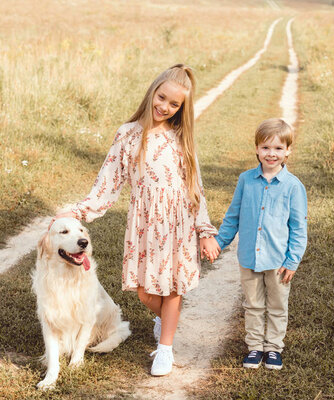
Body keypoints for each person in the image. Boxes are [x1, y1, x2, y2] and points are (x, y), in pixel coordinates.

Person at [52, 64, 218, 376]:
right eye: (162, 97)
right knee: (146, 292)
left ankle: (165, 349)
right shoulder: (128, 135)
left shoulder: (181, 138)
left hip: (179, 223)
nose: (164, 107)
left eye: (174, 104)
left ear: (182, 109)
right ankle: (166, 318)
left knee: (172, 289)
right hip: (146, 226)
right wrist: (78, 211)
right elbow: (108, 183)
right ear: (152, 91)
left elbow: (195, 189)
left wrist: (205, 231)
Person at [205, 118, 307, 371]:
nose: (271, 154)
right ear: (257, 149)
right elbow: (233, 217)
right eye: (265, 148)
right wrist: (218, 243)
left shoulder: (293, 187)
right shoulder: (246, 180)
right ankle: (254, 347)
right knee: (252, 305)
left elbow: (298, 228)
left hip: (278, 261)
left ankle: (273, 348)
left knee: (276, 306)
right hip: (249, 257)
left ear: (287, 151)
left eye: (278, 149)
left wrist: (292, 260)